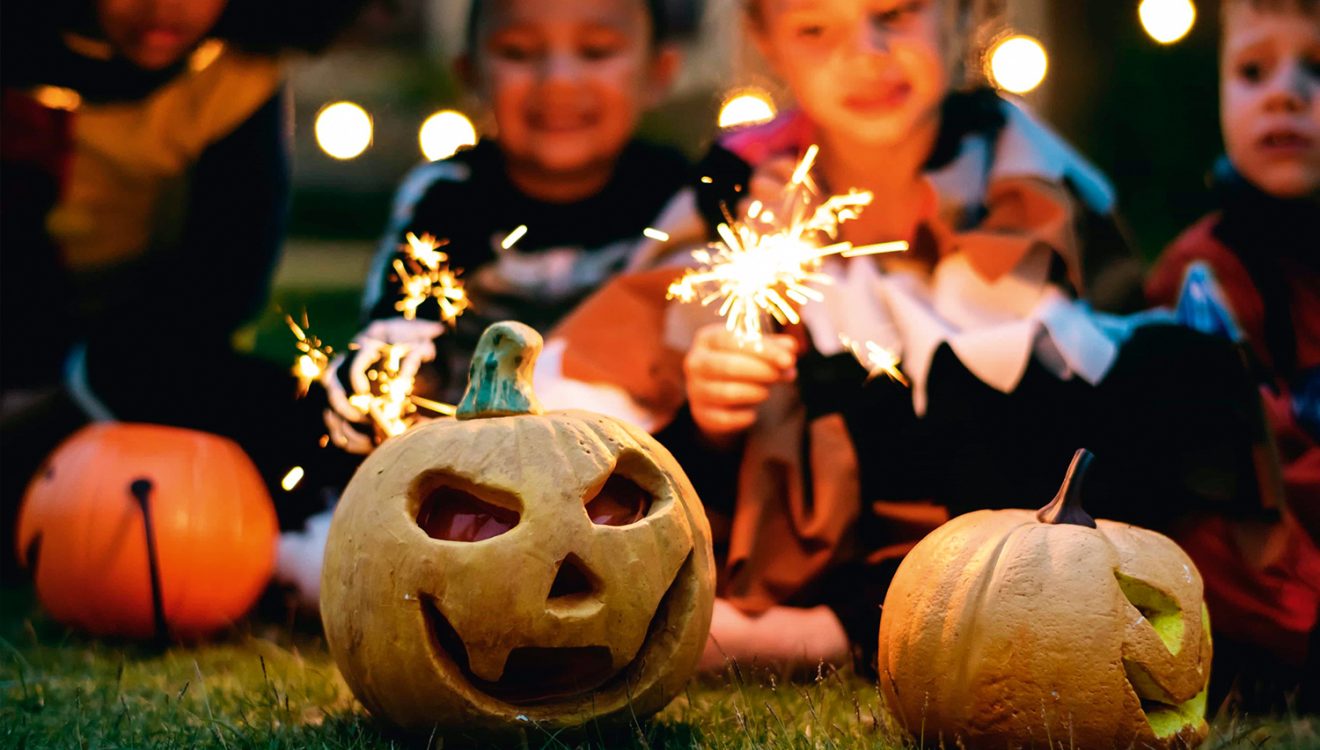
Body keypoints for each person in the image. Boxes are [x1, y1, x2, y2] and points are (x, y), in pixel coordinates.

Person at [540, 0, 1266, 672]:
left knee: (1161, 380)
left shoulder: (1035, 181)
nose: (866, 54)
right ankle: (823, 617)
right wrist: (711, 407)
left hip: (998, 502)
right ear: (767, 40)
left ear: (962, 12)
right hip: (810, 512)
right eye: (816, 29)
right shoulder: (732, 192)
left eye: (894, 13)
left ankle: (846, 629)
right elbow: (626, 373)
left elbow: (1089, 357)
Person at [0, 0, 369, 577]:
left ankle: (334, 535)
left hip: (144, 357)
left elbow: (224, 283)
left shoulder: (234, 81)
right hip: (20, 347)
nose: (163, 7)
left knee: (294, 418)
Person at [318, 0, 690, 454]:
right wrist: (383, 380)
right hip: (466, 461)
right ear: (470, 74)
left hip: (630, 462)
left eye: (596, 51)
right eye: (517, 52)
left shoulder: (681, 199)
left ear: (659, 71)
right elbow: (396, 332)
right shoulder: (450, 197)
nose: (558, 80)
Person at [1146, 0, 1319, 711]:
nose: (1284, 93)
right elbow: (1254, 475)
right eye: (1252, 71)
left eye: (1317, 68)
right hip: (1272, 579)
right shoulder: (1204, 271)